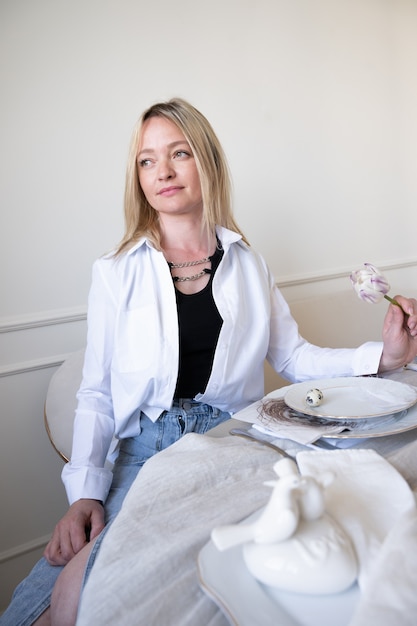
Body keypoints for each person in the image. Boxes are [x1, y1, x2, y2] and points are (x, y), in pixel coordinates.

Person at [2, 98, 417, 626]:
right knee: (61, 598)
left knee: (235, 579)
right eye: (147, 160)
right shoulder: (115, 271)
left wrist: (385, 357)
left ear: (208, 162)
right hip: (143, 456)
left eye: (179, 153)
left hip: (233, 445)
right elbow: (97, 392)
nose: (164, 171)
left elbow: (293, 355)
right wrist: (85, 492)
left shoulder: (249, 262)